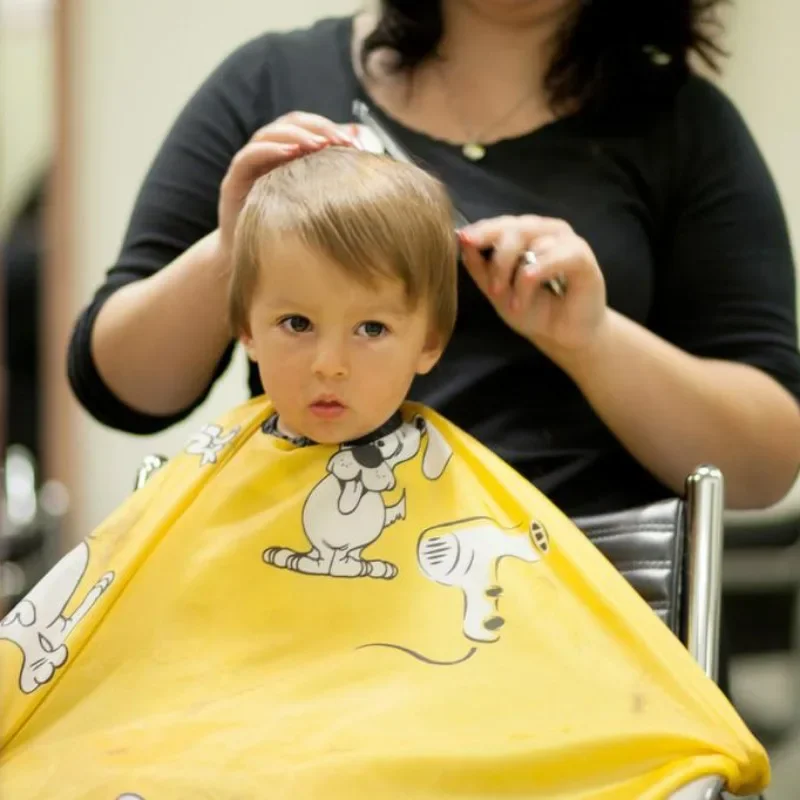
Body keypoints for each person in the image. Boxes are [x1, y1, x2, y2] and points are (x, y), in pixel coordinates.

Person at [2, 147, 770, 798]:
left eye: (371, 328)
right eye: (296, 324)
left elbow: (532, 658)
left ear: (428, 342)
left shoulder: (468, 488)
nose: (329, 363)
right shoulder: (204, 475)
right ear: (246, 328)